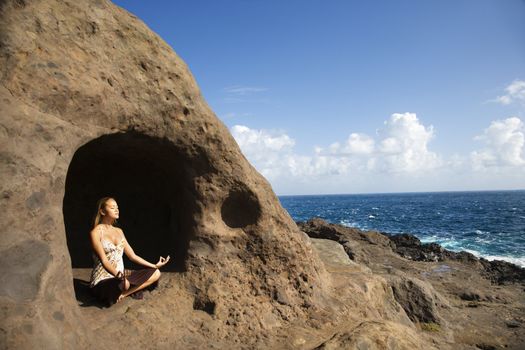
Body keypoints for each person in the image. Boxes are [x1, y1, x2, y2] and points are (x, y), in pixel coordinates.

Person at [89, 196, 170, 306]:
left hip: (121, 278)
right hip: (104, 280)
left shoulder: (119, 231)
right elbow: (104, 261)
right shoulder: (96, 233)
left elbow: (133, 256)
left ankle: (124, 294)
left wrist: (154, 265)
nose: (117, 210)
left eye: (117, 207)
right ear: (102, 211)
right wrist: (119, 276)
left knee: (156, 273)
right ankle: (122, 287)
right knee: (122, 283)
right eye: (112, 208)